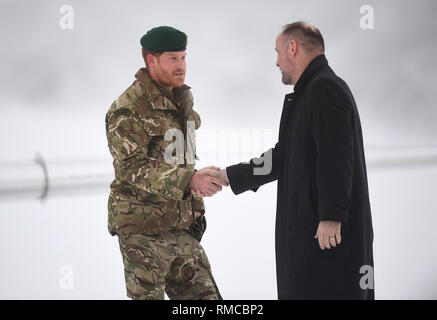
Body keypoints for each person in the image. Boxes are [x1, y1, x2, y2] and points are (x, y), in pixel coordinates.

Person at [217, 21, 375, 299]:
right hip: (313, 238)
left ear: (293, 47)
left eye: (277, 52)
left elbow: (337, 156)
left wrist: (331, 216)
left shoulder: (324, 88)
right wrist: (229, 176)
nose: (276, 62)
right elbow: (284, 156)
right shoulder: (309, 93)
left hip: (327, 240)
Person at [105, 26, 227, 300]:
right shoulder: (129, 108)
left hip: (181, 229)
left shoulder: (180, 101)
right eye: (173, 58)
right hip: (142, 232)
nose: (181, 65)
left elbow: (183, 161)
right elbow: (132, 168)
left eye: (183, 58)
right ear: (152, 60)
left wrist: (195, 205)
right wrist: (190, 181)